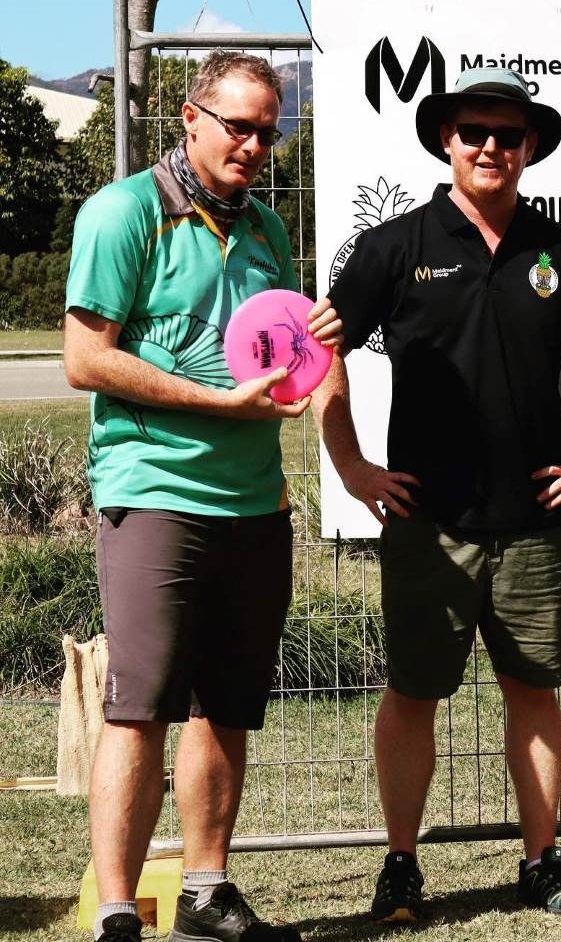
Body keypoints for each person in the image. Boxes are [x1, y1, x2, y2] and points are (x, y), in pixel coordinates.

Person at [311, 67, 561, 921]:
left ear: (530, 148)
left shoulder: (560, 252)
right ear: (445, 143)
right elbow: (322, 351)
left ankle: (543, 862)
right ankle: (402, 867)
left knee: (534, 693)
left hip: (532, 521)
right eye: (473, 133)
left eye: (508, 135)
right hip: (427, 520)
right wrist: (349, 467)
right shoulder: (395, 246)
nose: (491, 146)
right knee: (413, 694)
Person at [64, 50, 341, 942]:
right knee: (140, 706)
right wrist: (214, 401)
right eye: (240, 127)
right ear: (191, 119)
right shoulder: (124, 213)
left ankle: (208, 894)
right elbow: (86, 358)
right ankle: (117, 911)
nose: (256, 145)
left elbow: (281, 369)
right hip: (154, 493)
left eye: (270, 131)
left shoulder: (264, 231)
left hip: (256, 502)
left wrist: (317, 348)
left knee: (227, 705)